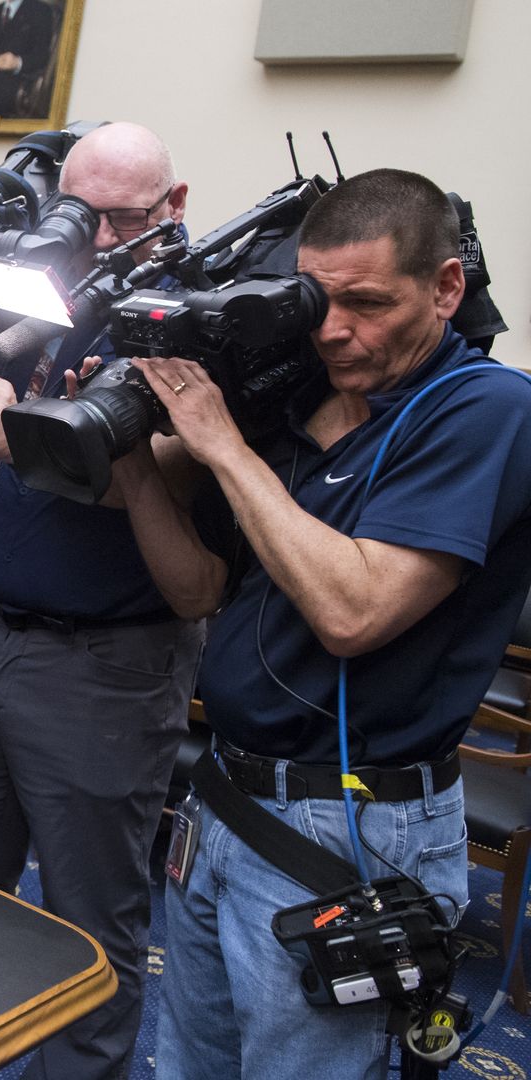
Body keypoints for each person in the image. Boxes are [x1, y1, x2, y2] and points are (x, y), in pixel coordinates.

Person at [110, 168, 531, 1079]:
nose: (333, 330)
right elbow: (196, 594)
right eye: (315, 299)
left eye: (368, 304)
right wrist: (137, 463)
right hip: (224, 798)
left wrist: (221, 446)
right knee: (190, 1063)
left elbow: (353, 611)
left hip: (352, 825)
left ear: (446, 289)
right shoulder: (294, 405)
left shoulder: (488, 409)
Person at [0, 121, 199, 1080]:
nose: (102, 240)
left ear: (175, 208)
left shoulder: (188, 314)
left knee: (89, 921)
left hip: (104, 667)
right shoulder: (43, 278)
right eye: (84, 217)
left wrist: (17, 437)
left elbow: (175, 480)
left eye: (122, 220)